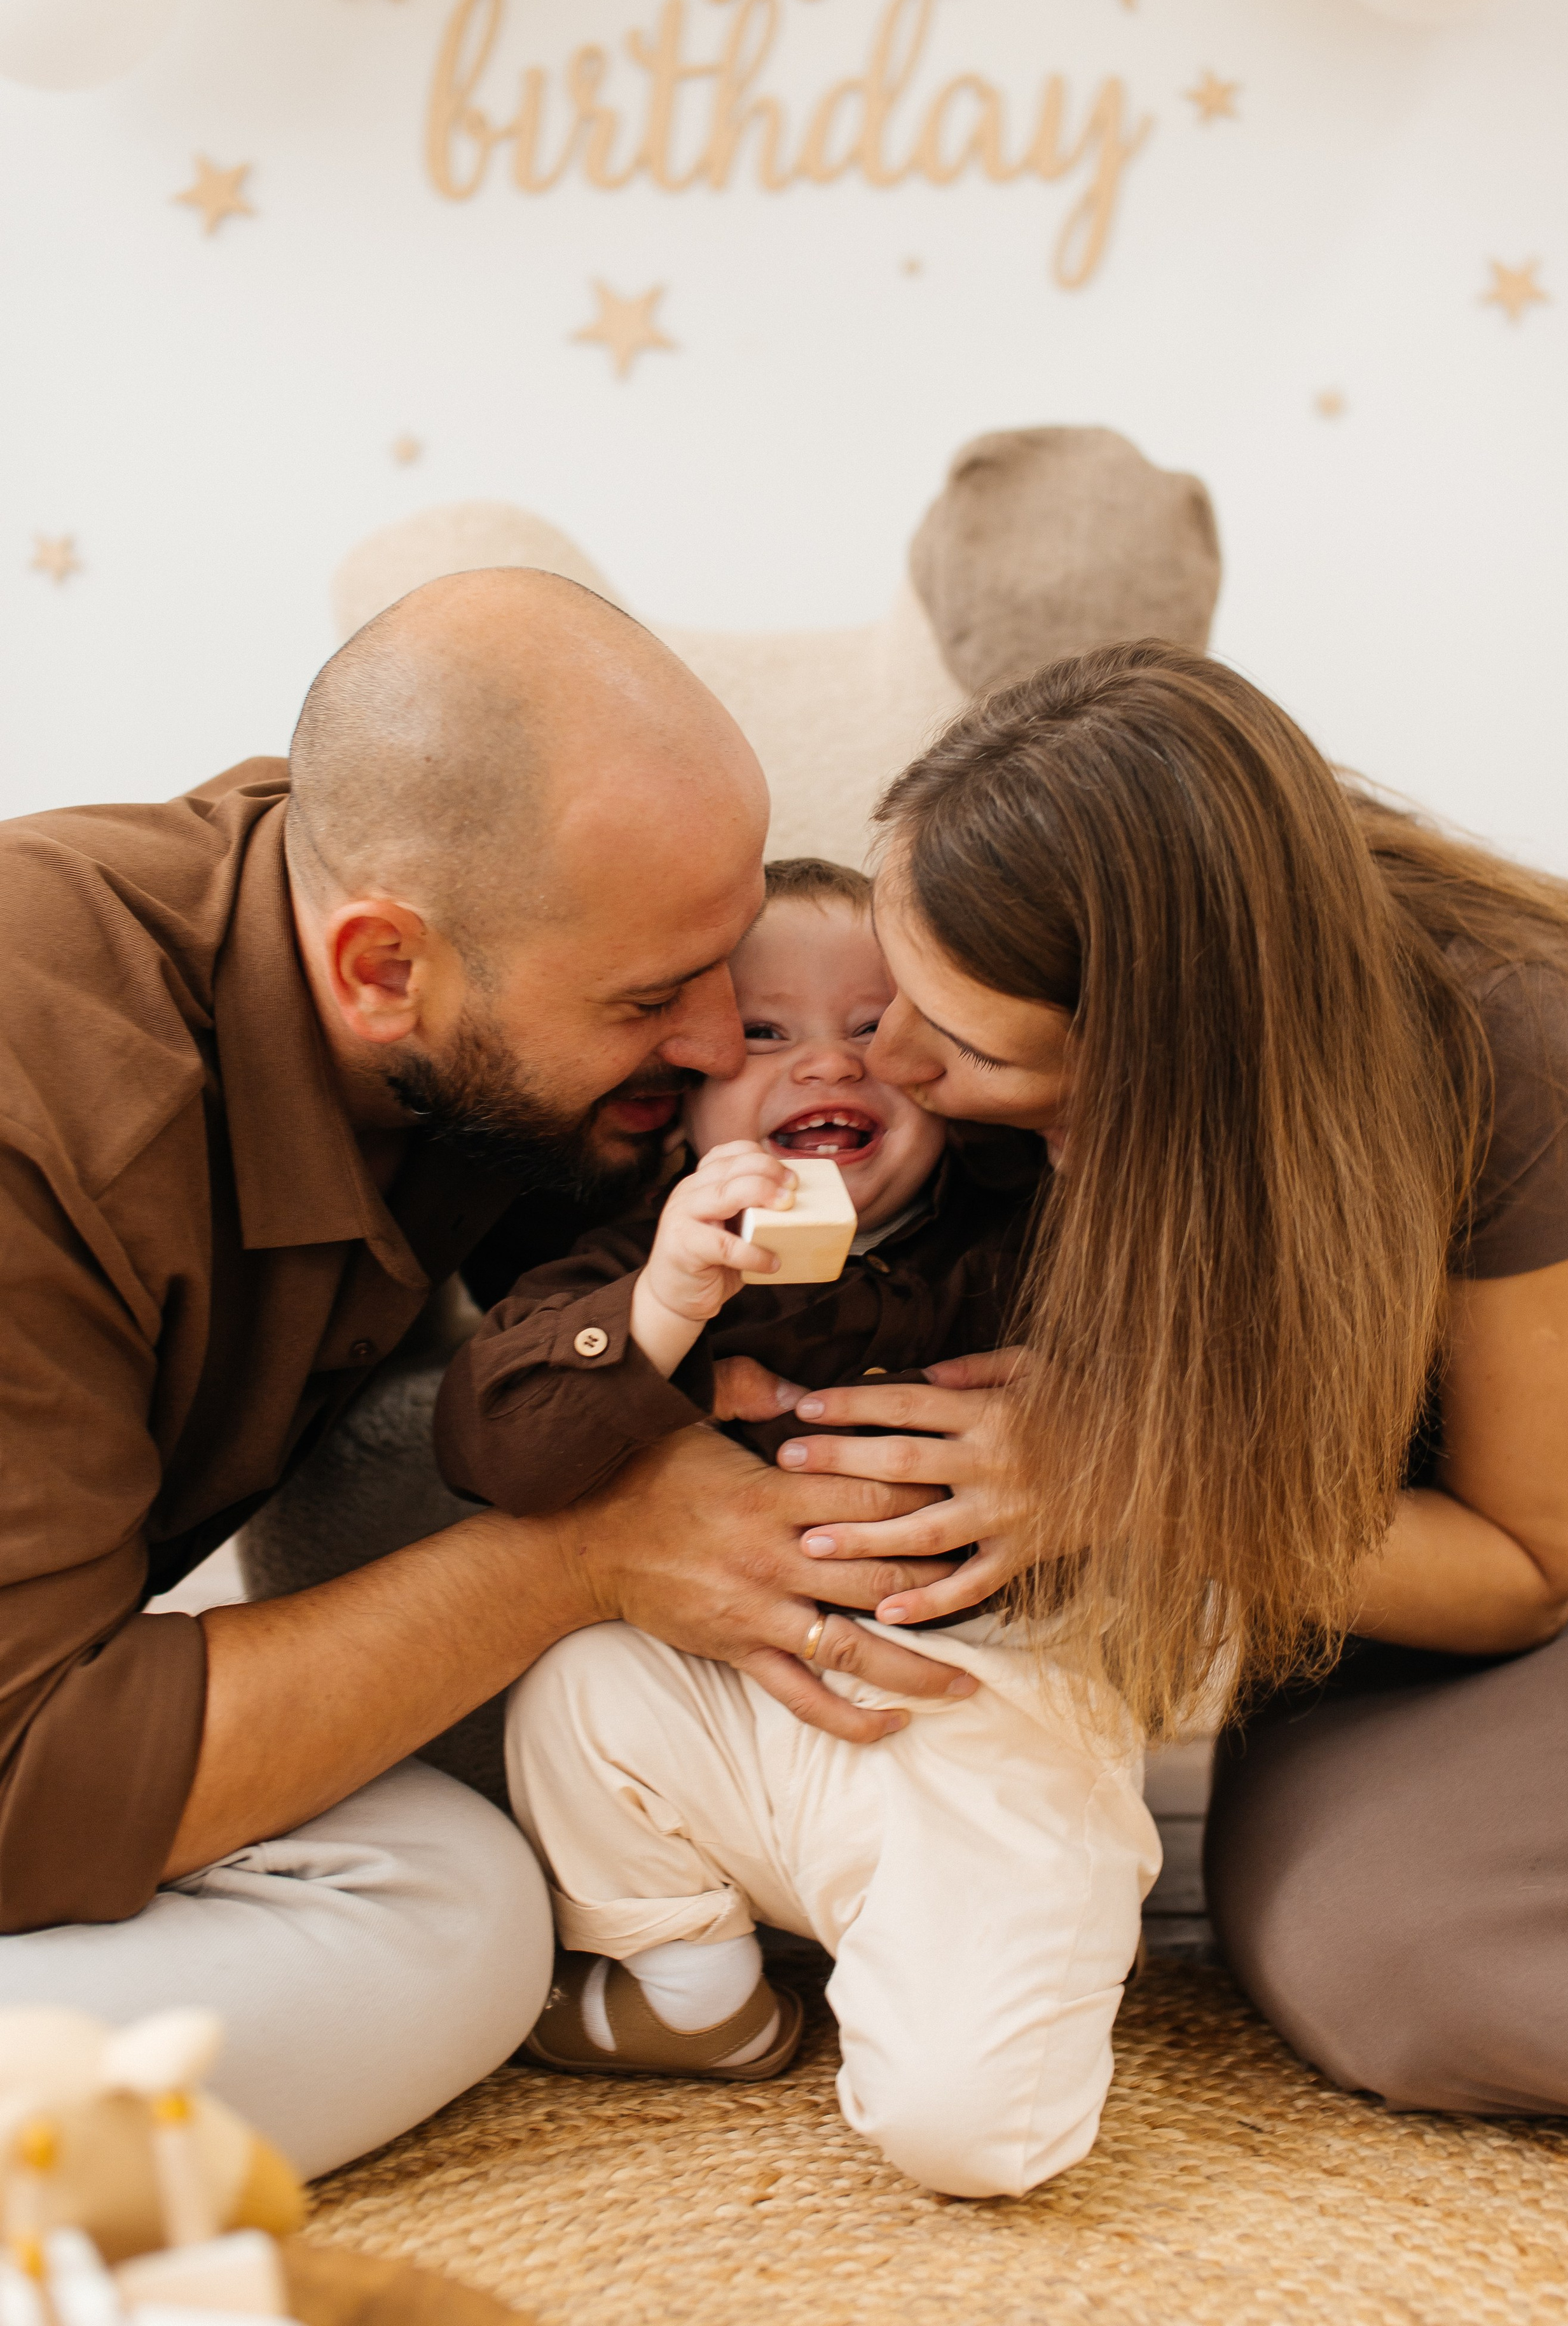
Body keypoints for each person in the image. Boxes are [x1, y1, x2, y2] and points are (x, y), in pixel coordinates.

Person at [0, 569, 970, 2178]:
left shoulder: (441, 966)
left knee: (459, 1899)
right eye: (657, 998)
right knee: (428, 1943)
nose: (725, 1045)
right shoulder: (57, 1104)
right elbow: (25, 1785)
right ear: (381, 970)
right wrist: (576, 1559)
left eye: (719, 962)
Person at [745, 641, 1568, 2128]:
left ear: (1157, 1068)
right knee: (1334, 1921)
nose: (887, 1055)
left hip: (1551, 1547)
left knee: (1399, 1958)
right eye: (896, 984)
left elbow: (1526, 1564)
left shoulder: (1521, 1043)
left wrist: (1117, 1474)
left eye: (951, 1039)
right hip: (1367, 1566)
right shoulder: (1005, 1054)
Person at [433, 857, 1156, 2199]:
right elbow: (489, 1445)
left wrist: (1090, 1402)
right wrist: (662, 1310)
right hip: (732, 1719)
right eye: (764, 1034)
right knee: (575, 1686)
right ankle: (699, 1992)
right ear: (684, 1096)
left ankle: (978, 1960)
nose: (830, 1062)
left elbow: (1195, 1368)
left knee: (971, 2138)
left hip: (970, 1715)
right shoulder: (645, 1257)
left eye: (879, 1026)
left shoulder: (1030, 1242)